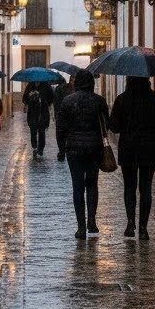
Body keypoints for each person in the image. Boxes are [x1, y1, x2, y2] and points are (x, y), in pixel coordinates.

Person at [109, 76, 155, 240]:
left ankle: (130, 224)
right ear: (147, 81)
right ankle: (143, 228)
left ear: (129, 81)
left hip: (128, 148)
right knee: (146, 188)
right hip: (149, 148)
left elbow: (114, 126)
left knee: (129, 187)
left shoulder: (122, 100)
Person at [55, 70, 109, 239]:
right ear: (91, 83)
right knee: (92, 184)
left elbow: (60, 128)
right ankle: (92, 221)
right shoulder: (99, 101)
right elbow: (106, 125)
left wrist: (61, 148)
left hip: (74, 150)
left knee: (77, 187)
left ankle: (81, 227)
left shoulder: (67, 101)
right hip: (94, 148)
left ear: (76, 82)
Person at [23, 80, 54, 158]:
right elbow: (24, 98)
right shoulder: (30, 85)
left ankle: (41, 149)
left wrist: (44, 102)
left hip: (43, 112)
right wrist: (31, 98)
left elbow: (51, 98)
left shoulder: (46, 85)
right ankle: (34, 147)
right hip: (32, 113)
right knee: (33, 131)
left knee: (42, 131)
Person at [53, 74, 76, 162]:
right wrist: (56, 114)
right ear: (70, 80)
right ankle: (62, 151)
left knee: (66, 135)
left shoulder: (77, 90)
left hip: (69, 117)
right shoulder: (63, 88)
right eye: (73, 79)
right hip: (62, 116)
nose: (74, 82)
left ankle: (65, 151)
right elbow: (56, 102)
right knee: (61, 135)